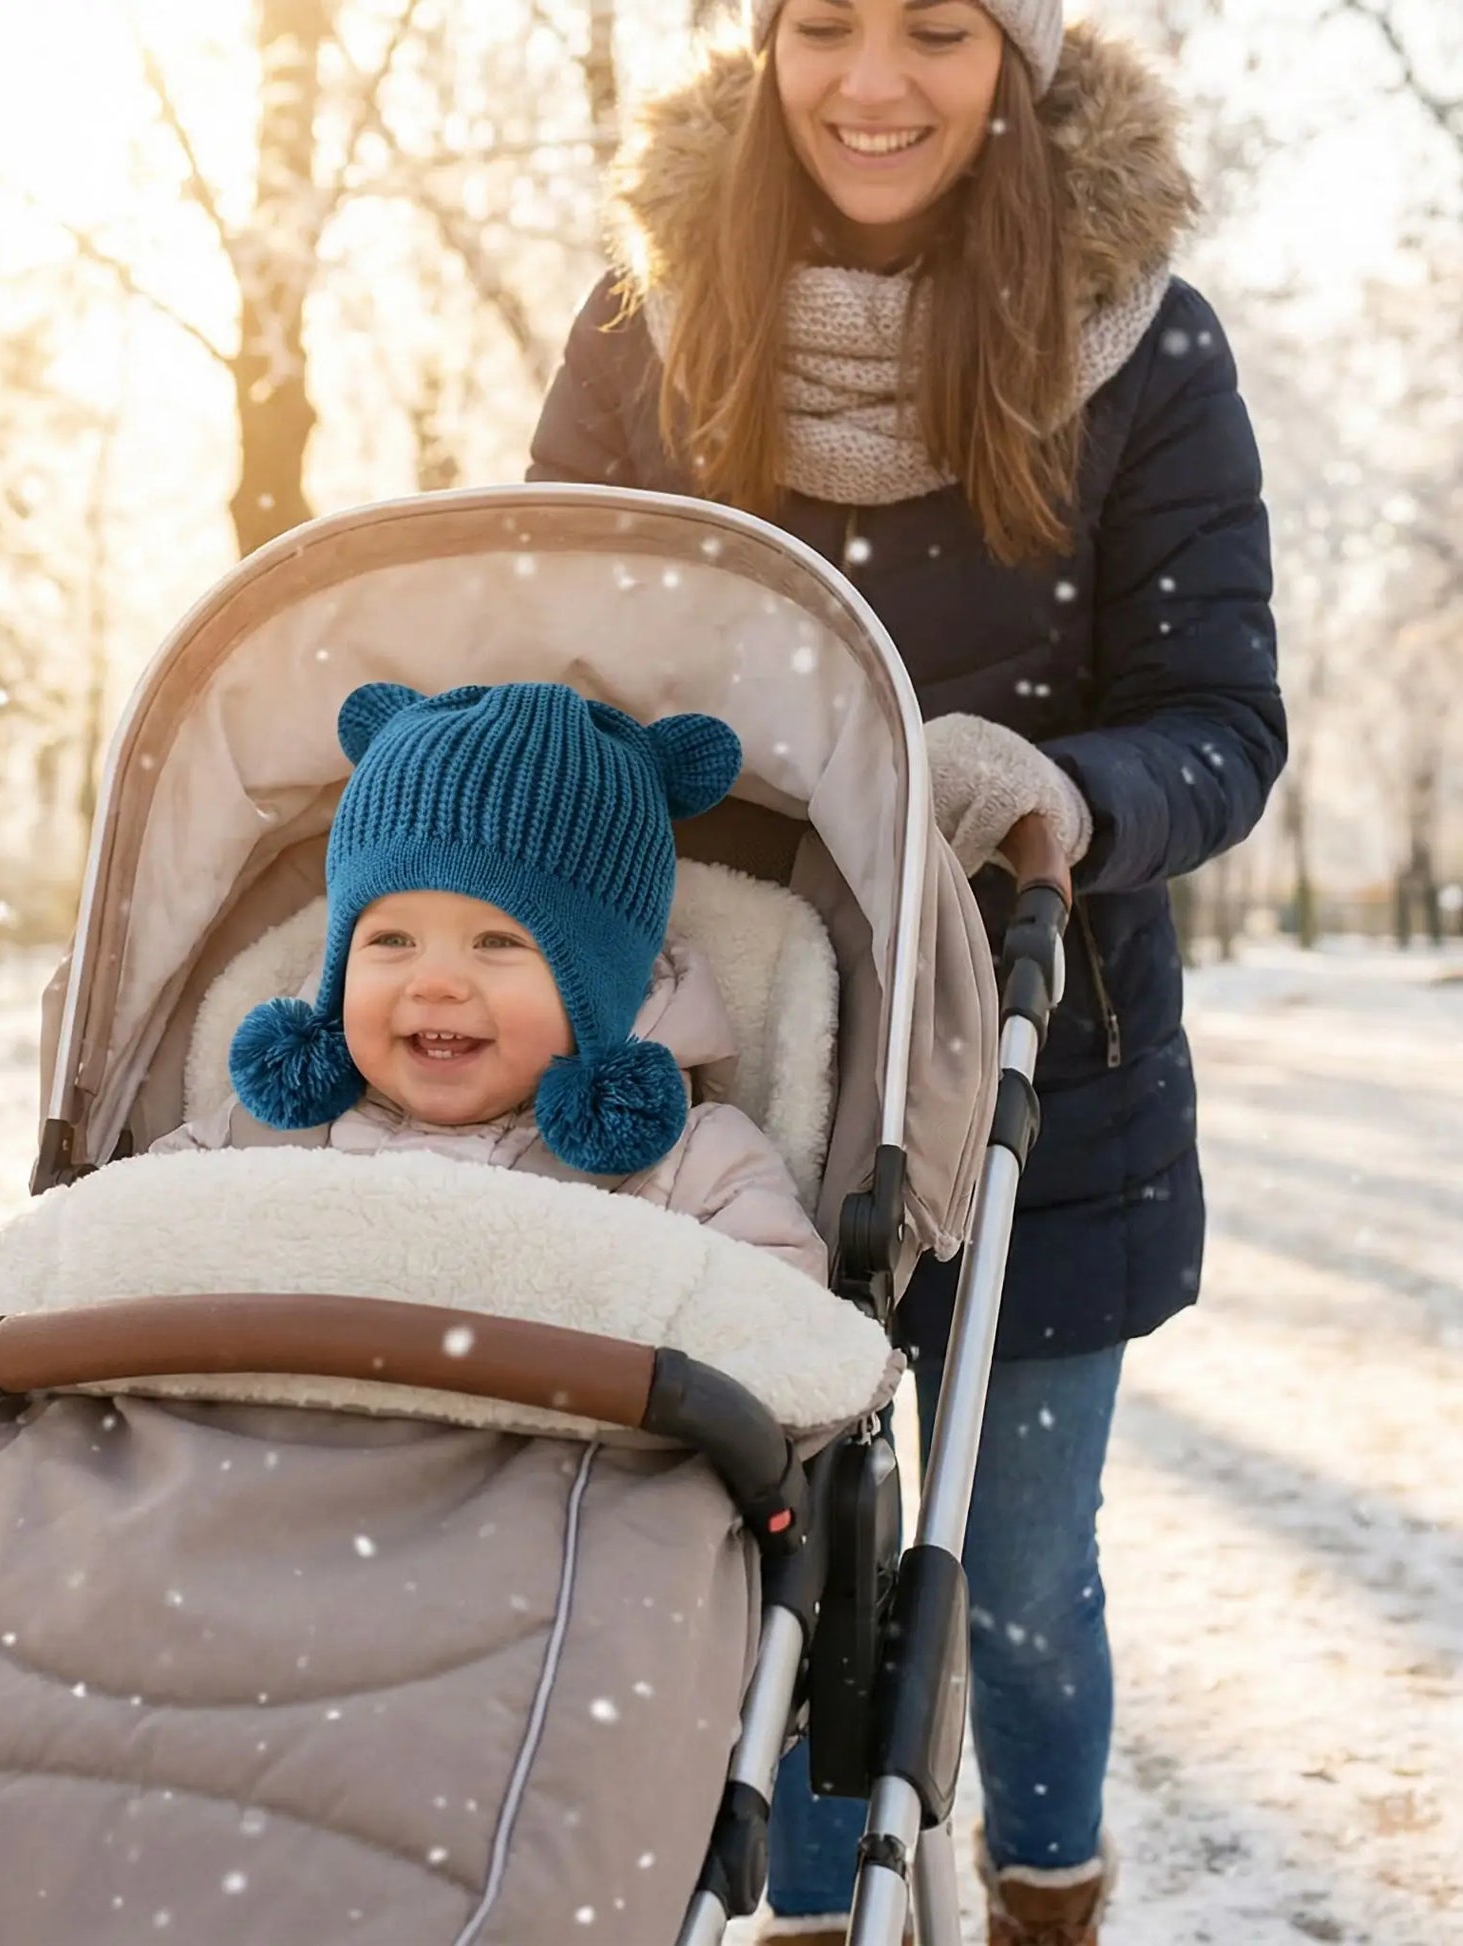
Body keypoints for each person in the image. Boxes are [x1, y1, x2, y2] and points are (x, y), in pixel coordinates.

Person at [527, 2, 1285, 1941]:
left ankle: (1043, 1895)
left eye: (938, 29)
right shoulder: (650, 321)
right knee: (776, 1553)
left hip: (1049, 1063)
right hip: (737, 1063)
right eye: (825, 25)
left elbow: (1219, 722)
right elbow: (562, 660)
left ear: (1015, 62)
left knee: (1015, 1573)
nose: (874, 82)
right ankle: (804, 1915)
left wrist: (1062, 789)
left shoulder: (1142, 343)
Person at [154, 679, 829, 1285]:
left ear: (600, 986)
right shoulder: (259, 1136)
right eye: (392, 940)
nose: (436, 983)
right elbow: (122, 1240)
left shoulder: (689, 1164)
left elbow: (782, 1318)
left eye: (498, 942)